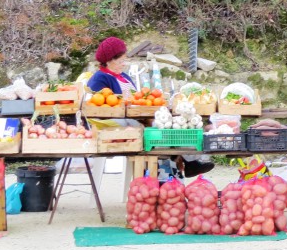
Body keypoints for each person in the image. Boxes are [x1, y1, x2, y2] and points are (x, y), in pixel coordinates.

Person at [87, 37, 213, 178]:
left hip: (135, 115)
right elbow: (97, 107)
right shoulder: (100, 78)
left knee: (171, 123)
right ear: (109, 60)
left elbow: (137, 98)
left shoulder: (123, 76)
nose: (124, 64)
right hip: (116, 122)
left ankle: (187, 160)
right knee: (158, 128)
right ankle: (177, 161)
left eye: (124, 60)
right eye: (121, 60)